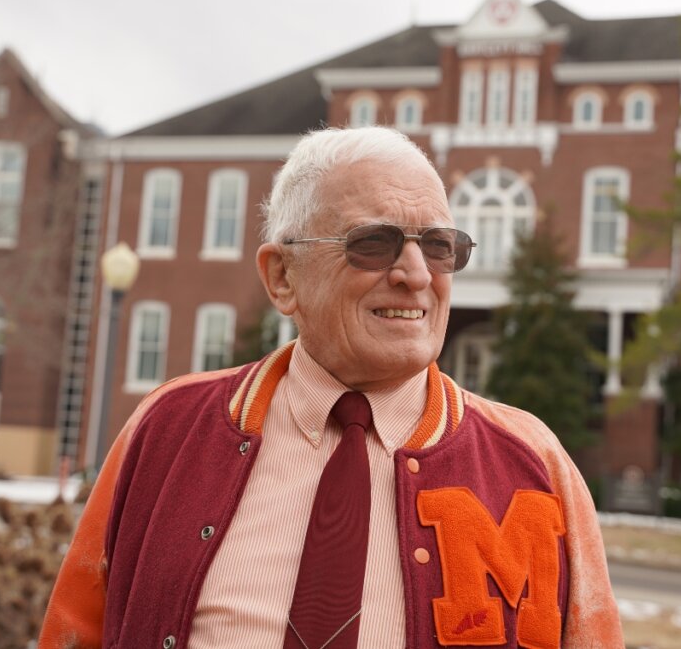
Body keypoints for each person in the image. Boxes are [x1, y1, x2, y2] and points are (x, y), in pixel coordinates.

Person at [39, 126, 623, 649]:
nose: (417, 274)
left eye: (440, 247)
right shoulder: (168, 429)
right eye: (374, 243)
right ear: (282, 277)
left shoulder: (535, 465)